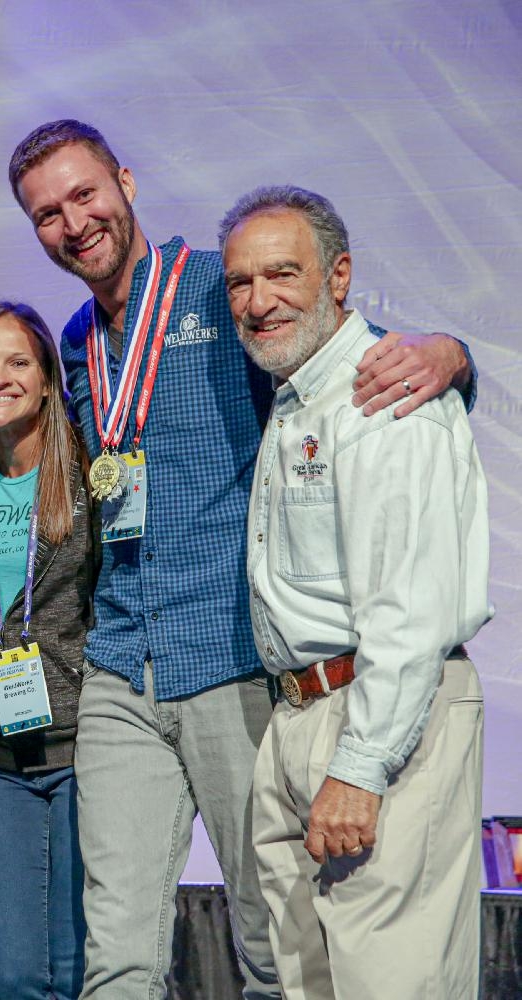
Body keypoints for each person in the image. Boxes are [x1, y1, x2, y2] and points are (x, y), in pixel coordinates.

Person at [7, 120, 476, 999]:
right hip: (121, 664)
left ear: (127, 182)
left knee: (273, 942)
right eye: (46, 213)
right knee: (115, 946)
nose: (73, 223)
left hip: (228, 658)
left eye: (84, 195)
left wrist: (452, 356)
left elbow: (338, 355)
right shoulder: (74, 340)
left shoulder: (218, 291)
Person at [219, 185, 490, 999]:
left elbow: (409, 610)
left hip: (379, 716)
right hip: (301, 713)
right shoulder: (296, 390)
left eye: (281, 275)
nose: (259, 301)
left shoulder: (388, 398)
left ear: (339, 276)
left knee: (392, 983)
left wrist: (362, 767)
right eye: (239, 282)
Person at [0, 301, 96, 999]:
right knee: (10, 976)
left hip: (86, 750)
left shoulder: (93, 475)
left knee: (73, 969)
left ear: (45, 379)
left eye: (17, 362)